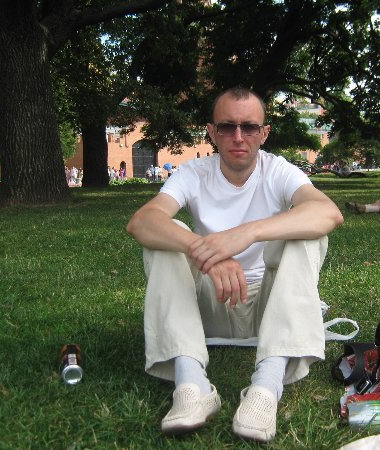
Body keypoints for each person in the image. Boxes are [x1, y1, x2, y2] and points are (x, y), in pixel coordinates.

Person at [126, 87, 344, 442]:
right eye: (227, 127)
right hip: (206, 307)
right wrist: (204, 252)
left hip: (269, 309)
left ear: (264, 133)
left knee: (307, 234)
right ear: (211, 132)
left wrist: (246, 233)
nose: (238, 137)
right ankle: (191, 385)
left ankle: (266, 386)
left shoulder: (278, 170)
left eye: (249, 127)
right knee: (167, 234)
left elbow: (328, 213)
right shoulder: (194, 172)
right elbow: (142, 222)